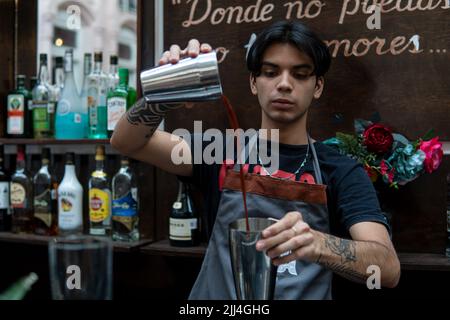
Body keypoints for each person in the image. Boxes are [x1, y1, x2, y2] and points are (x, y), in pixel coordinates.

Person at [111, 21, 401, 300]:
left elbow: (387, 269)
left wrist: (316, 243)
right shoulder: (216, 151)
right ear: (253, 82)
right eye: (270, 72)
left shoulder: (340, 170)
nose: (284, 84)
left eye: (300, 74)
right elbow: (127, 142)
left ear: (318, 86)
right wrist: (161, 94)